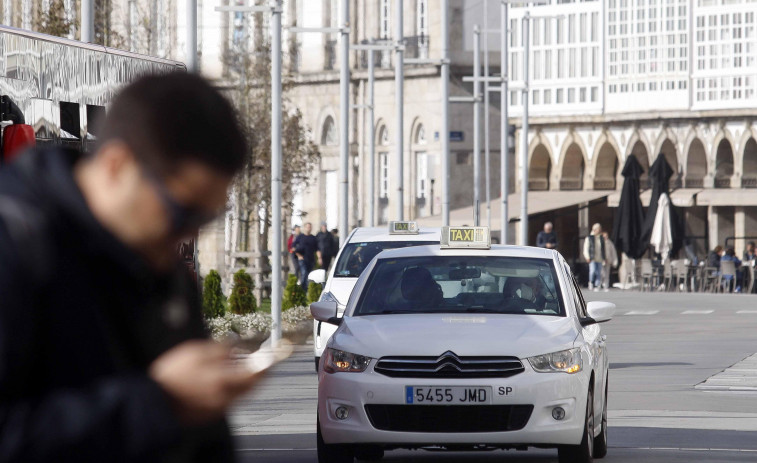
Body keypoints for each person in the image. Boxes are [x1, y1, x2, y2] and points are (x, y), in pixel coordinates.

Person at [0, 73, 262, 461]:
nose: (189, 234)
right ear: (116, 165)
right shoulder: (16, 245)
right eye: (181, 212)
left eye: (205, 218)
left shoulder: (159, 265)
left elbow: (206, 439)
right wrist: (159, 402)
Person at [293, 222, 318, 291]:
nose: (309, 228)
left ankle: (307, 290)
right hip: (302, 259)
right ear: (304, 228)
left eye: (310, 227)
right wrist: (298, 255)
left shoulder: (313, 238)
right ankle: (303, 289)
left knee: (309, 275)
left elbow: (317, 249)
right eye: (307, 227)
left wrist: (319, 258)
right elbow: (293, 247)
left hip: (311, 259)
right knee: (304, 273)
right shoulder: (300, 237)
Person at [583, 223, 607, 291]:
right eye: (598, 229)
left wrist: (604, 258)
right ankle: (591, 282)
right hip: (592, 257)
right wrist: (587, 256)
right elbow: (586, 248)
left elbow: (603, 249)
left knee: (599, 272)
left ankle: (597, 285)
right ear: (594, 229)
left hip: (599, 258)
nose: (599, 230)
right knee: (592, 271)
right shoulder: (589, 237)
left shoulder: (601, 238)